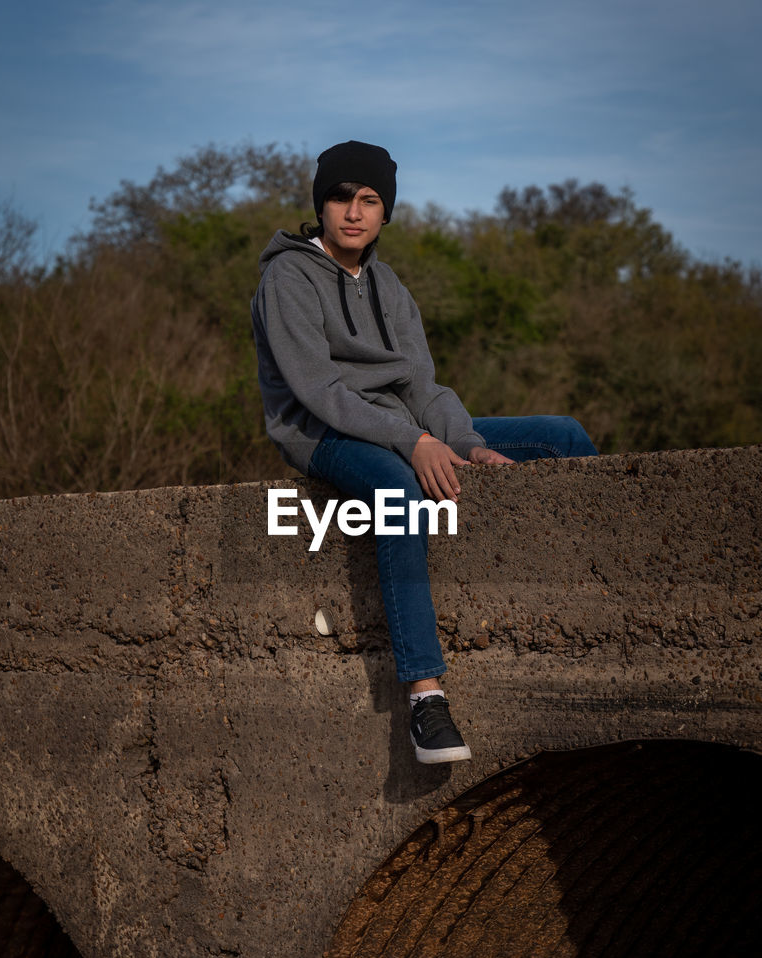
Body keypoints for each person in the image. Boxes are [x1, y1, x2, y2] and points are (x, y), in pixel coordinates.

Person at [251, 141, 597, 764]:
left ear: (386, 211)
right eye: (340, 198)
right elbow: (319, 390)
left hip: (408, 425)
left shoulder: (387, 283)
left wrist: (466, 443)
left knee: (562, 436)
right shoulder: (288, 276)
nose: (353, 212)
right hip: (323, 433)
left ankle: (605, 606)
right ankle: (424, 696)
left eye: (369, 200)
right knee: (397, 493)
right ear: (320, 206)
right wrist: (414, 442)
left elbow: (421, 385)